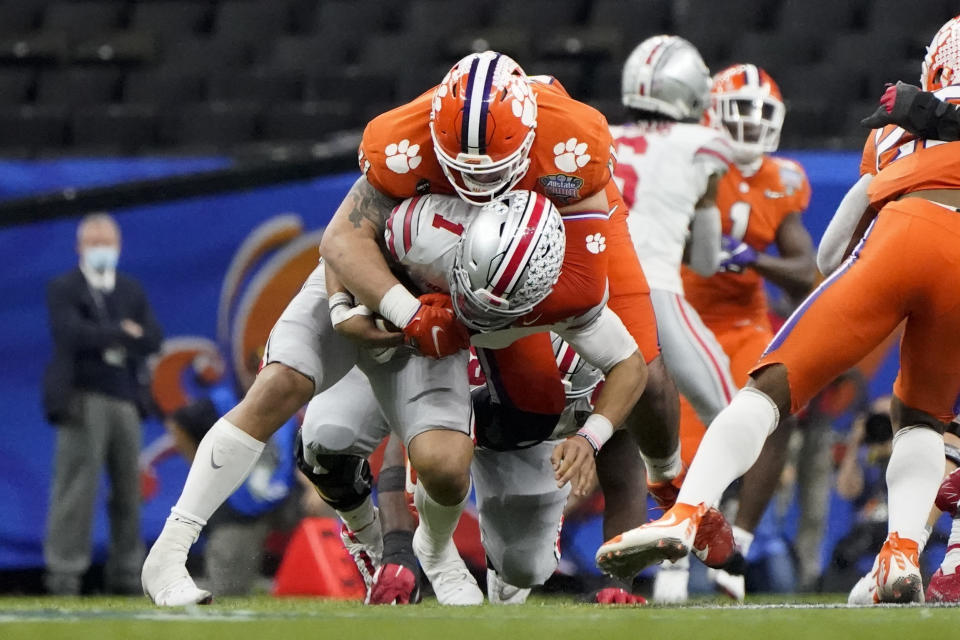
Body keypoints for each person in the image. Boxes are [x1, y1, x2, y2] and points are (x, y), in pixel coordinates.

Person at [596, 15, 960, 604]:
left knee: (768, 390)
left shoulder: (894, 132)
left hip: (902, 235)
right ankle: (901, 551)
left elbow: (832, 247)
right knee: (922, 418)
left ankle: (689, 511)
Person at [302, 190, 648, 605]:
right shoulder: (424, 231)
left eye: (511, 300)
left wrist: (590, 437)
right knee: (328, 433)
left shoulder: (579, 307)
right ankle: (408, 545)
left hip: (520, 423)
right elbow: (343, 243)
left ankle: (503, 561)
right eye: (484, 285)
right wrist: (345, 306)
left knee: (527, 566)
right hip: (423, 348)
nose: (490, 308)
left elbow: (631, 374)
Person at [678, 63, 817, 600]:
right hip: (685, 317)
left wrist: (753, 260)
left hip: (742, 322)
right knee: (676, 445)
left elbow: (806, 270)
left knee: (778, 408)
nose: (750, 127)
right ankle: (677, 546)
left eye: (760, 115)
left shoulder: (783, 179)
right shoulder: (692, 158)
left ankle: (738, 538)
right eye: (740, 113)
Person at [609, 35, 737, 602]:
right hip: (655, 294)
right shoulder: (704, 142)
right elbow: (707, 262)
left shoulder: (602, 136)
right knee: (736, 419)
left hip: (588, 298)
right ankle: (693, 562)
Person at [43, 212, 163, 595]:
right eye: (93, 243)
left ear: (118, 246)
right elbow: (71, 334)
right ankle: (64, 575)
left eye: (106, 242)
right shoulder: (65, 287)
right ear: (80, 247)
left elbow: (153, 338)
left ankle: (127, 575)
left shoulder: (130, 289)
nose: (101, 249)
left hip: (126, 398)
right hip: (83, 398)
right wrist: (120, 332)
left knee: (129, 490)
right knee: (77, 489)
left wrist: (111, 336)